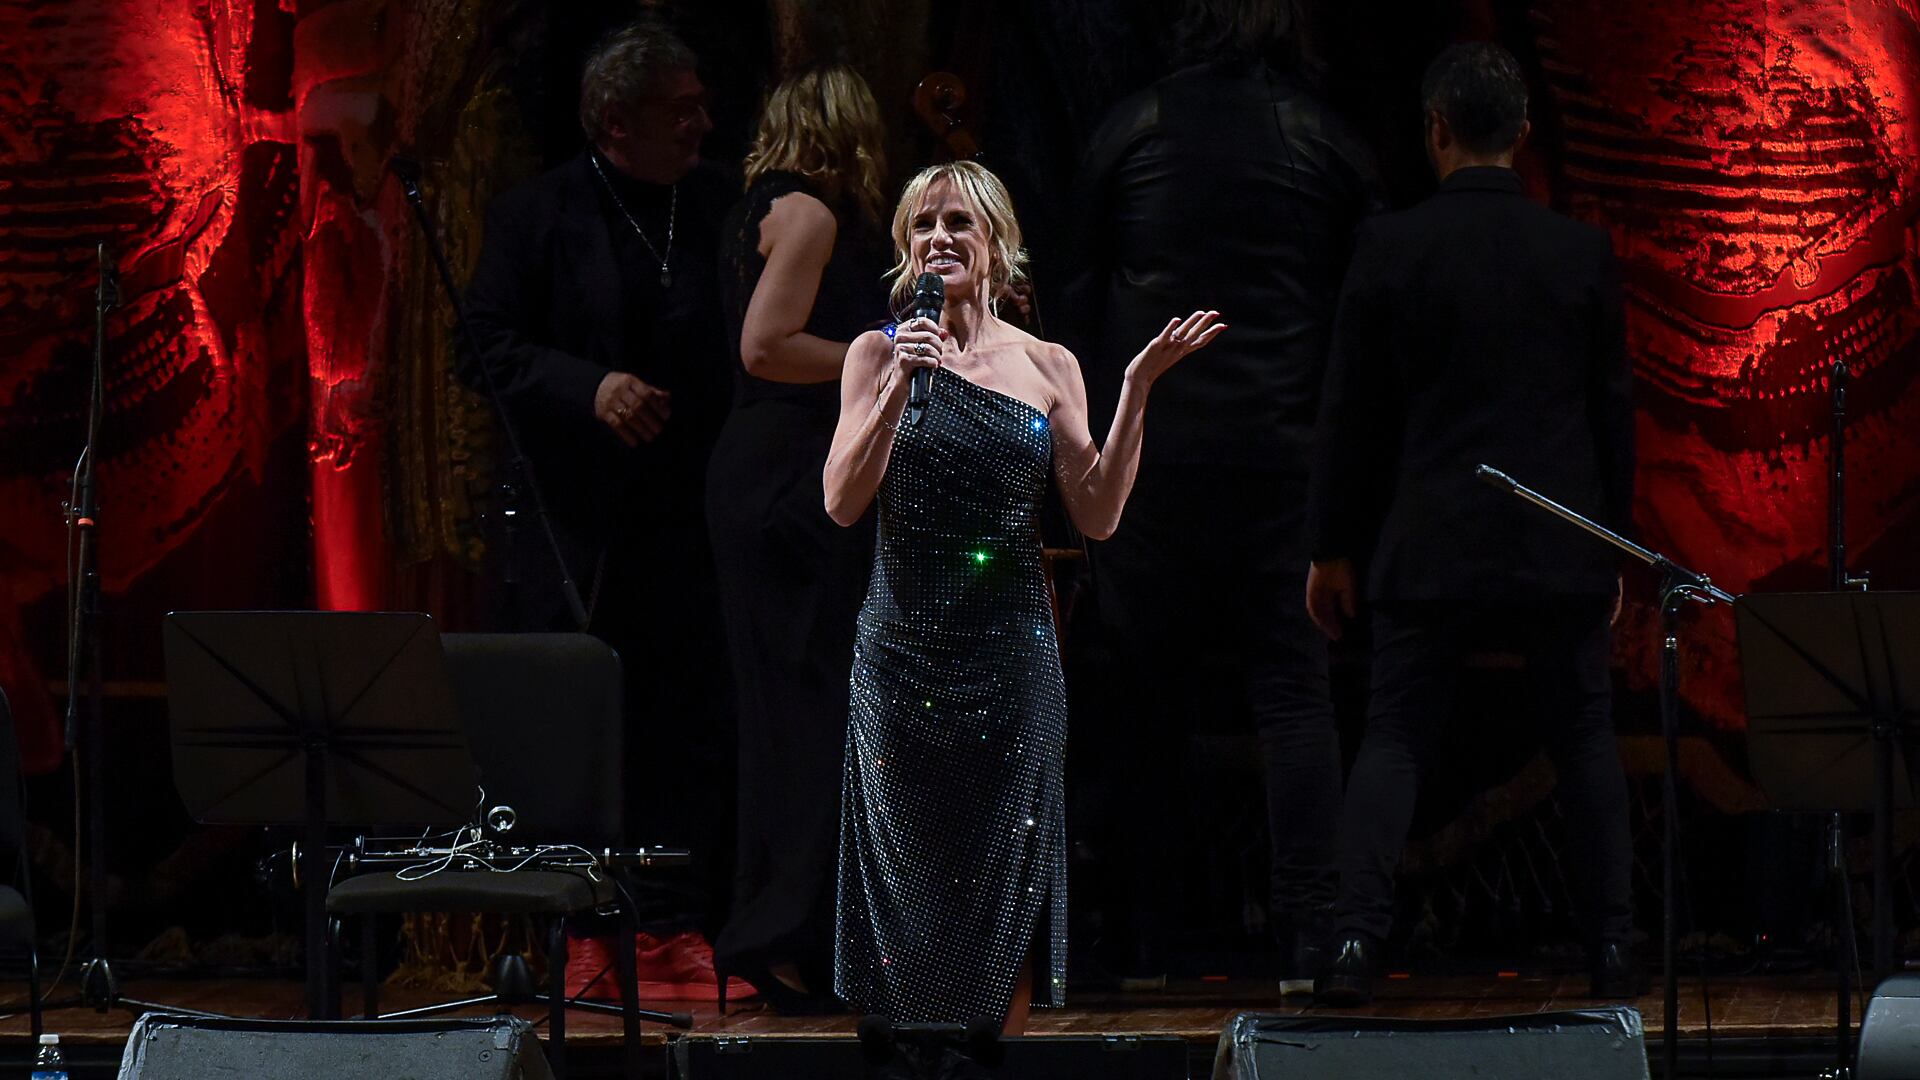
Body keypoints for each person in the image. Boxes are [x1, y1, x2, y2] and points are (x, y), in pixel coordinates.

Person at [824, 161, 1224, 1030]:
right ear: (904, 246)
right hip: (900, 663)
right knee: (907, 892)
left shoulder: (1048, 364)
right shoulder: (874, 352)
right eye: (924, 224)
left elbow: (1100, 512)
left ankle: (996, 1056)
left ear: (997, 245)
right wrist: (899, 383)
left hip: (1012, 662)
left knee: (1003, 891)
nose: (939, 239)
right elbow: (842, 500)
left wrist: (1137, 389)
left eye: (959, 223)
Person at [1304, 41, 1637, 1007]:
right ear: (1524, 134)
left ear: (1436, 130)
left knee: (1397, 736)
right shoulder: (1579, 251)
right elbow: (1611, 414)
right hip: (1556, 542)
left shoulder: (1392, 245)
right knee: (1581, 736)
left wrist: (1330, 545)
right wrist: (1609, 541)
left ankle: (1356, 946)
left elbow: (1351, 413)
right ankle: (1613, 949)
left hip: (1430, 540)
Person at [1061, 0, 1383, 993]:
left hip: (1153, 460)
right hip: (1283, 459)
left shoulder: (1131, 127)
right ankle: (1311, 941)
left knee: (1144, 698)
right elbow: (1362, 316)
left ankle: (1146, 940)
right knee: (1294, 695)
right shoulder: (1324, 140)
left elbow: (1080, 291)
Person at [462, 21, 736, 926]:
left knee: (692, 720)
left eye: (702, 106)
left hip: (698, 512)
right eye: (681, 111)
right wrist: (592, 388)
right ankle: (578, 917)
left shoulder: (720, 206)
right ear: (617, 121)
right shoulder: (537, 214)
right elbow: (485, 346)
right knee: (585, 726)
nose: (703, 126)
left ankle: (681, 916)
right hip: (582, 524)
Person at [707, 64, 893, 1014]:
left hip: (756, 470)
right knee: (815, 707)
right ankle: (782, 937)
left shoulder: (755, 210)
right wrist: (886, 351)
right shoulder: (813, 215)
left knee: (780, 708)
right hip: (788, 476)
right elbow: (766, 346)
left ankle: (775, 931)